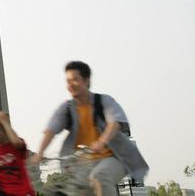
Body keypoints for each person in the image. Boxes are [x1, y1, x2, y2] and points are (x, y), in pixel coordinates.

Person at [32, 61, 149, 196]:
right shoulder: (67, 108)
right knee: (75, 191)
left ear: (87, 81)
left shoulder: (104, 101)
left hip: (113, 158)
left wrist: (102, 141)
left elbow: (114, 123)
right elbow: (51, 130)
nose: (70, 85)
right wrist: (39, 153)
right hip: (83, 165)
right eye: (68, 81)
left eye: (75, 79)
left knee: (100, 177)